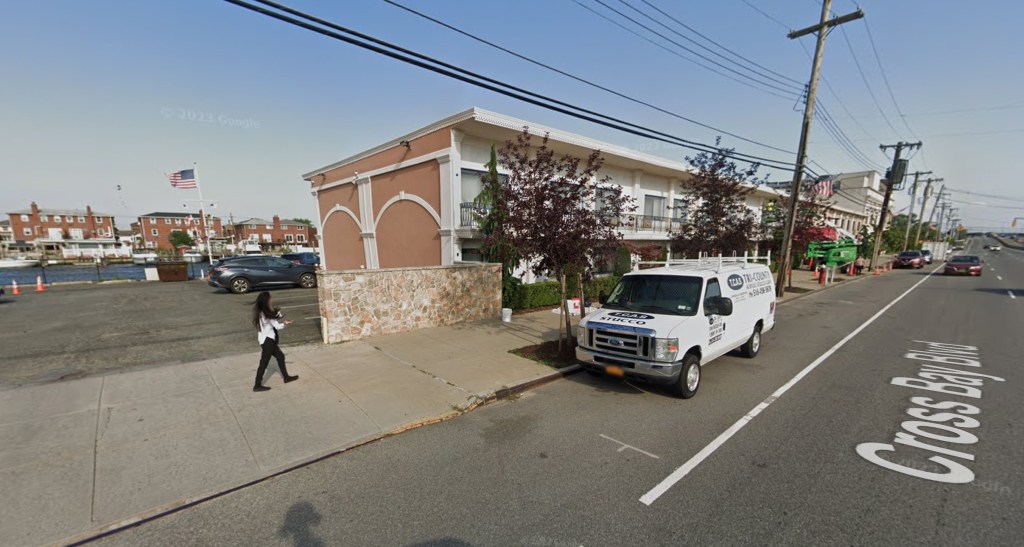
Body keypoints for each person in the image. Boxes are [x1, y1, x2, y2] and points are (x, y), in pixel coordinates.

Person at [252, 291, 298, 392]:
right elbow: (277, 326)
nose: (271, 300)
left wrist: (277, 315)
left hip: (265, 340)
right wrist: (285, 323)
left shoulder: (261, 312)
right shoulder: (266, 313)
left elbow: (273, 319)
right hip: (268, 341)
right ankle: (257, 385)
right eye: (270, 298)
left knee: (280, 356)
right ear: (266, 300)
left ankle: (286, 377)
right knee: (263, 363)